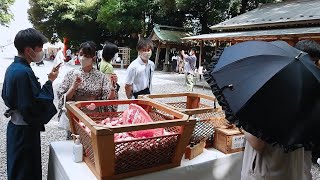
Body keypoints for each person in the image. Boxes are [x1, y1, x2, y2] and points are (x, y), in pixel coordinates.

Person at [2, 28, 59, 180]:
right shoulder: (23, 72)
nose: (41, 51)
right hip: (24, 131)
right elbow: (34, 106)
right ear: (29, 50)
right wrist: (49, 82)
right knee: (26, 171)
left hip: (16, 128)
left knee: (17, 167)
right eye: (39, 48)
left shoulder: (13, 68)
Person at [57, 41, 118, 138]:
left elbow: (109, 101)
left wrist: (112, 87)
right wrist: (73, 87)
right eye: (81, 54)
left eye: (86, 55)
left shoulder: (101, 76)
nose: (83, 58)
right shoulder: (70, 74)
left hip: (95, 120)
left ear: (93, 58)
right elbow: (63, 97)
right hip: (76, 119)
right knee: (75, 145)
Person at [241, 130, 311, 180]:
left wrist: (242, 124)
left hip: (267, 171)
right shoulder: (309, 109)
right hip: (297, 170)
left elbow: (257, 143)